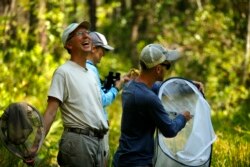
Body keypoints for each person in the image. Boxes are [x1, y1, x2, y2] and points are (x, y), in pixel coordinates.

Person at [113, 44, 193, 167]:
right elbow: (170, 130)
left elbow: (165, 88)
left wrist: (192, 85)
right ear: (158, 69)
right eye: (167, 65)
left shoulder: (130, 86)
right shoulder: (149, 98)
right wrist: (183, 117)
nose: (167, 69)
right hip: (138, 162)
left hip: (122, 159)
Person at [43, 21, 108, 167]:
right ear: (69, 45)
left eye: (87, 33)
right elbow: (51, 112)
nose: (86, 36)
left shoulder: (91, 73)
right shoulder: (63, 72)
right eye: (80, 33)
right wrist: (35, 145)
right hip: (78, 142)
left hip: (98, 141)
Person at [86, 31, 127, 164]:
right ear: (93, 48)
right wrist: (116, 88)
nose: (103, 54)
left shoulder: (84, 68)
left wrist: (110, 85)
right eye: (102, 50)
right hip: (94, 133)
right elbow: (102, 100)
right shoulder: (90, 70)